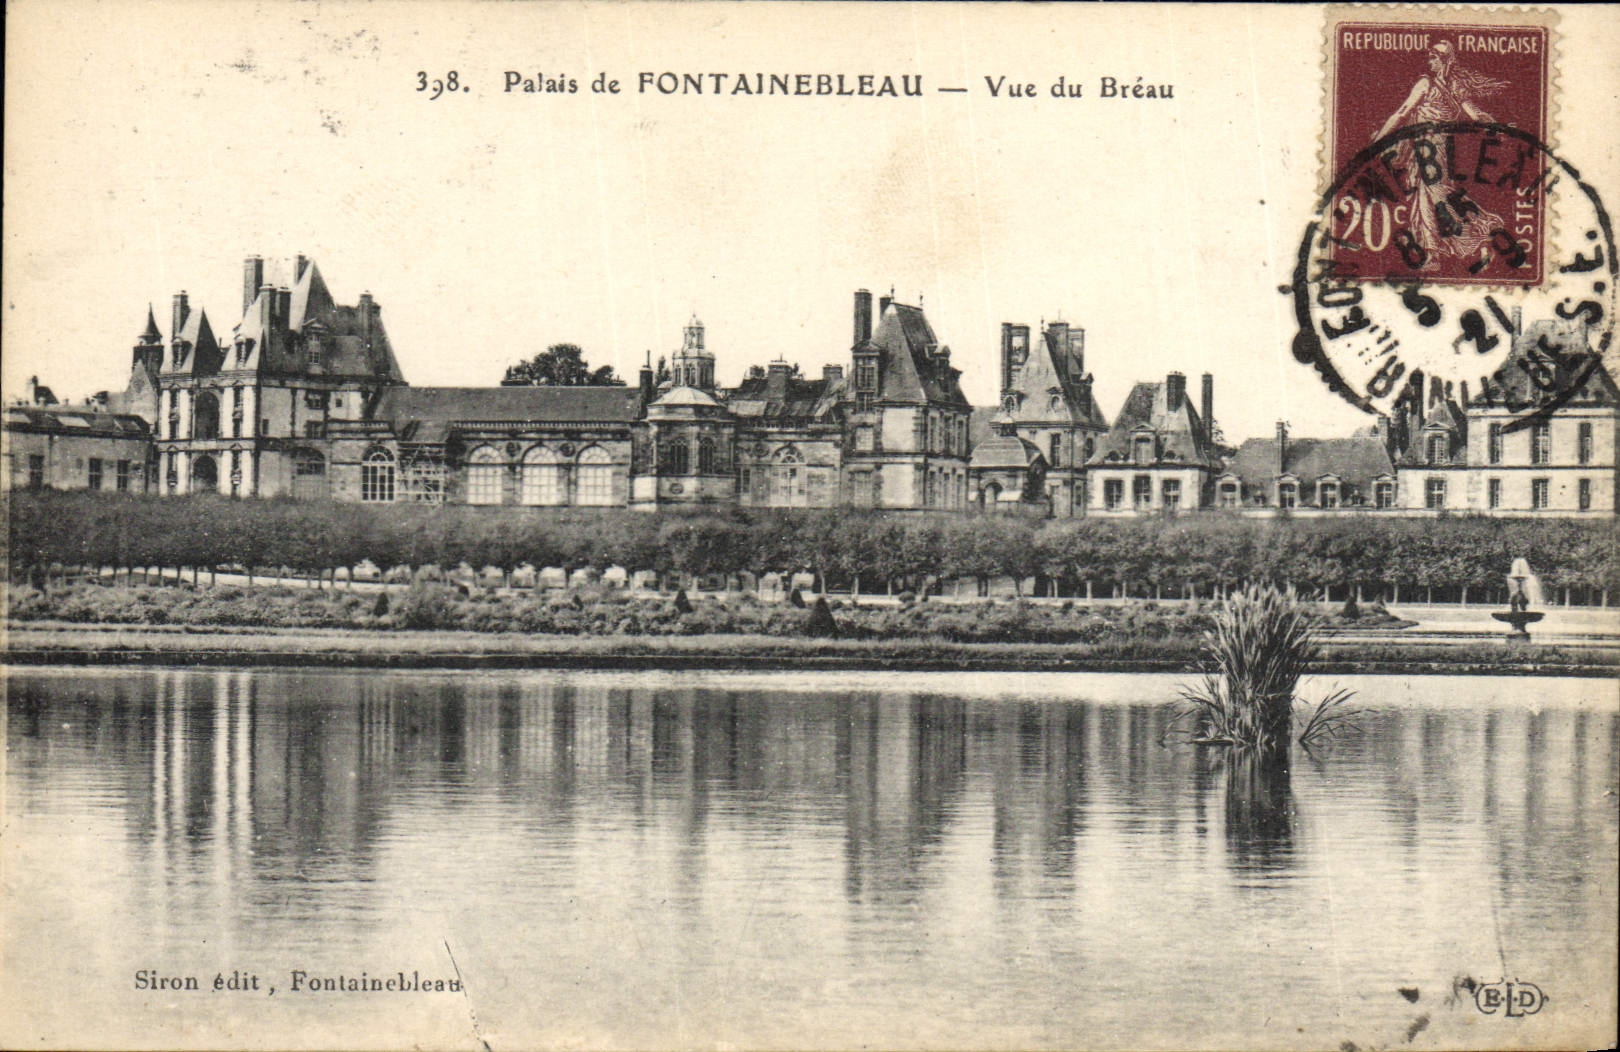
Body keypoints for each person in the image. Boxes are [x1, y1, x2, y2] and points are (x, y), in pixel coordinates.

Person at [1370, 41, 1510, 269]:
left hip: (1430, 148)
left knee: (1437, 196)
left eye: (1434, 57)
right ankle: (1438, 251)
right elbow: (1475, 114)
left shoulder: (1428, 84)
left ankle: (1473, 239)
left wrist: (1377, 142)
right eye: (1430, 57)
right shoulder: (1452, 86)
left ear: (1445, 60)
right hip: (1434, 148)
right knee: (1430, 195)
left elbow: (1403, 112)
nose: (1430, 61)